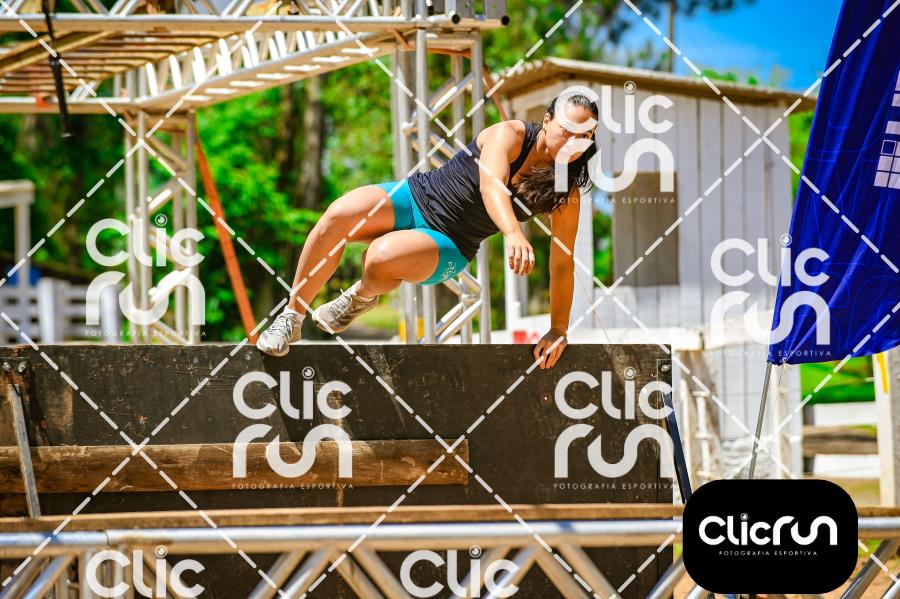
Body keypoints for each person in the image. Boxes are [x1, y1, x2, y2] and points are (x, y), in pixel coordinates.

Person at [256, 92, 598, 369]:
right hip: (415, 196)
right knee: (337, 216)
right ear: (547, 120)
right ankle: (291, 317)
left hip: (450, 243)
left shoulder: (565, 192)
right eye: (567, 129)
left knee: (379, 257)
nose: (574, 141)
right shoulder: (511, 134)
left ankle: (361, 296)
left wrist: (558, 328)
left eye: (584, 136)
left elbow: (562, 264)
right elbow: (491, 185)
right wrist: (512, 232)